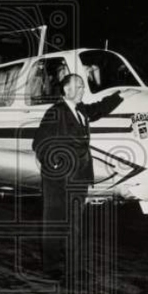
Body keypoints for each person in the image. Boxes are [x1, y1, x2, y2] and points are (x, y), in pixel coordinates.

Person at [31, 73, 129, 279]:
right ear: (67, 90)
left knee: (74, 223)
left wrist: (118, 97)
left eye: (83, 87)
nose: (83, 90)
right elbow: (39, 143)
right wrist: (56, 163)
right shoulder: (55, 111)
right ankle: (51, 267)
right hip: (58, 178)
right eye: (79, 87)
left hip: (79, 176)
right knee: (55, 223)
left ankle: (74, 269)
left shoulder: (81, 111)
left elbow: (97, 109)